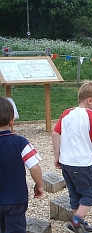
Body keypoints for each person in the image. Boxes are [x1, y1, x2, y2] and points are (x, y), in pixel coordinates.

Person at [52, 81, 92, 233]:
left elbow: (55, 133)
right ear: (90, 100)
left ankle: (78, 223)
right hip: (82, 163)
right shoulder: (91, 115)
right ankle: (75, 221)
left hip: (66, 162)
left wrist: (57, 156)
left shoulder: (67, 113)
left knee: (75, 194)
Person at [0, 96, 44, 233]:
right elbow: (34, 166)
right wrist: (39, 185)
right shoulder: (21, 142)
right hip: (15, 198)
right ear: (12, 121)